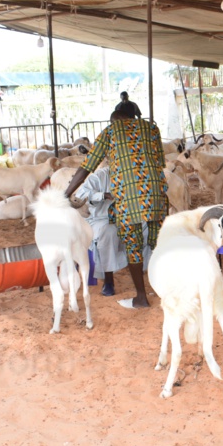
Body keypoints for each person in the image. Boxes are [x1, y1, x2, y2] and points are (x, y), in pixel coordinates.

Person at [64, 108, 166, 309]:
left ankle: (141, 297)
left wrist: (66, 193)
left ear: (115, 121)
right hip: (156, 192)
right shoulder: (151, 128)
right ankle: (165, 290)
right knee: (158, 240)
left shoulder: (111, 131)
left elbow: (86, 167)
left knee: (133, 245)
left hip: (128, 199)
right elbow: (160, 162)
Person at [76, 165, 129, 297]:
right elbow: (80, 193)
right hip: (102, 219)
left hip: (129, 217)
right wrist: (103, 195)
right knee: (108, 231)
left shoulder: (134, 173)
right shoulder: (101, 175)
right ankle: (109, 280)